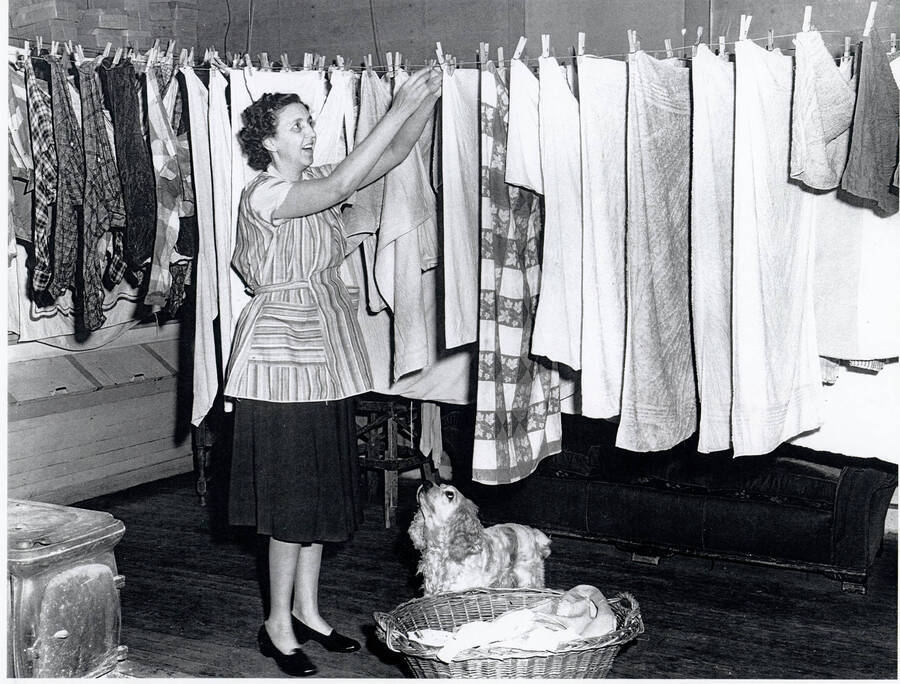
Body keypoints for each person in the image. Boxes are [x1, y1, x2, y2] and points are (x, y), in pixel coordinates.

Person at [225, 66, 442, 677]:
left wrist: (426, 98)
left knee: (319, 491)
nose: (311, 133)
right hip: (280, 362)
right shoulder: (266, 195)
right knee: (292, 502)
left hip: (327, 357)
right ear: (269, 142)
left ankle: (309, 613)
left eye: (310, 122)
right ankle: (276, 626)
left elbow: (392, 154)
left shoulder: (315, 180)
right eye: (299, 125)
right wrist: (397, 101)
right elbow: (352, 174)